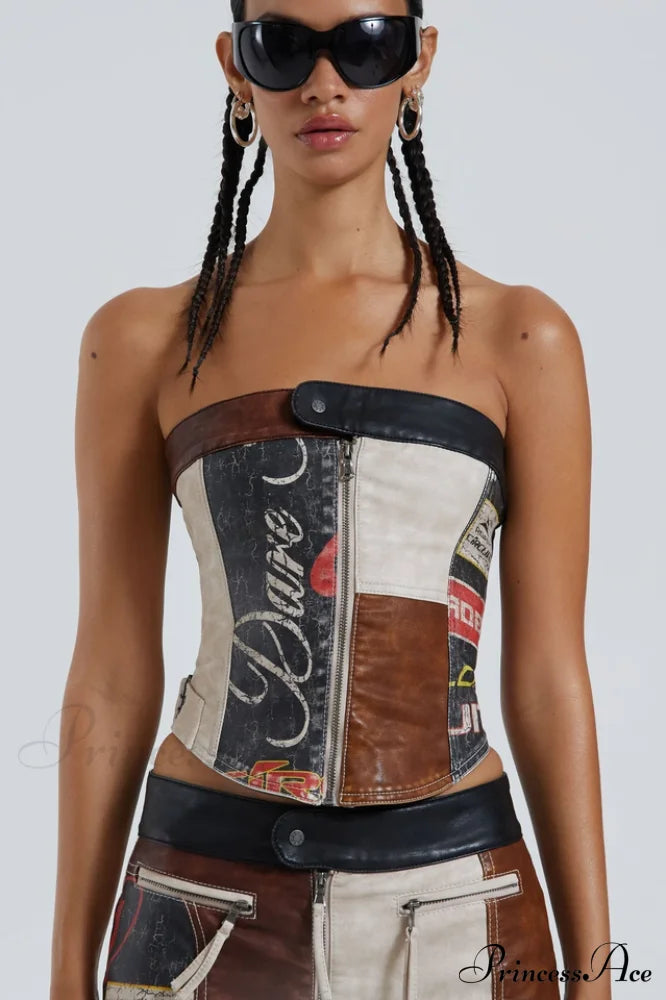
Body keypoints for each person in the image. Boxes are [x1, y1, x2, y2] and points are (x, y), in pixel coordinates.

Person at [50, 2, 612, 999]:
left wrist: (595, 974)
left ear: (418, 60)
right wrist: (64, 973)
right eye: (282, 47)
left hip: (461, 912)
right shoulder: (142, 342)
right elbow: (112, 667)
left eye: (364, 44)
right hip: (198, 904)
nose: (325, 84)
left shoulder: (520, 340)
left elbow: (549, 678)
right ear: (234, 66)